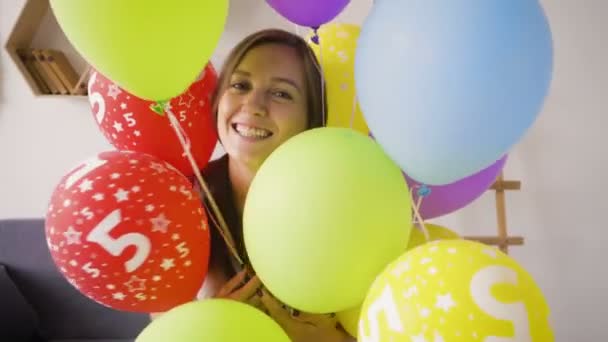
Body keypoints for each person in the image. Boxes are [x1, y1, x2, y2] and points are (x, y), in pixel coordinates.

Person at [195, 29, 353, 342]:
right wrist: (210, 327)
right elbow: (162, 323)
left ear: (311, 118)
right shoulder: (182, 200)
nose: (253, 105)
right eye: (240, 85)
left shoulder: (344, 202)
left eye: (281, 93)